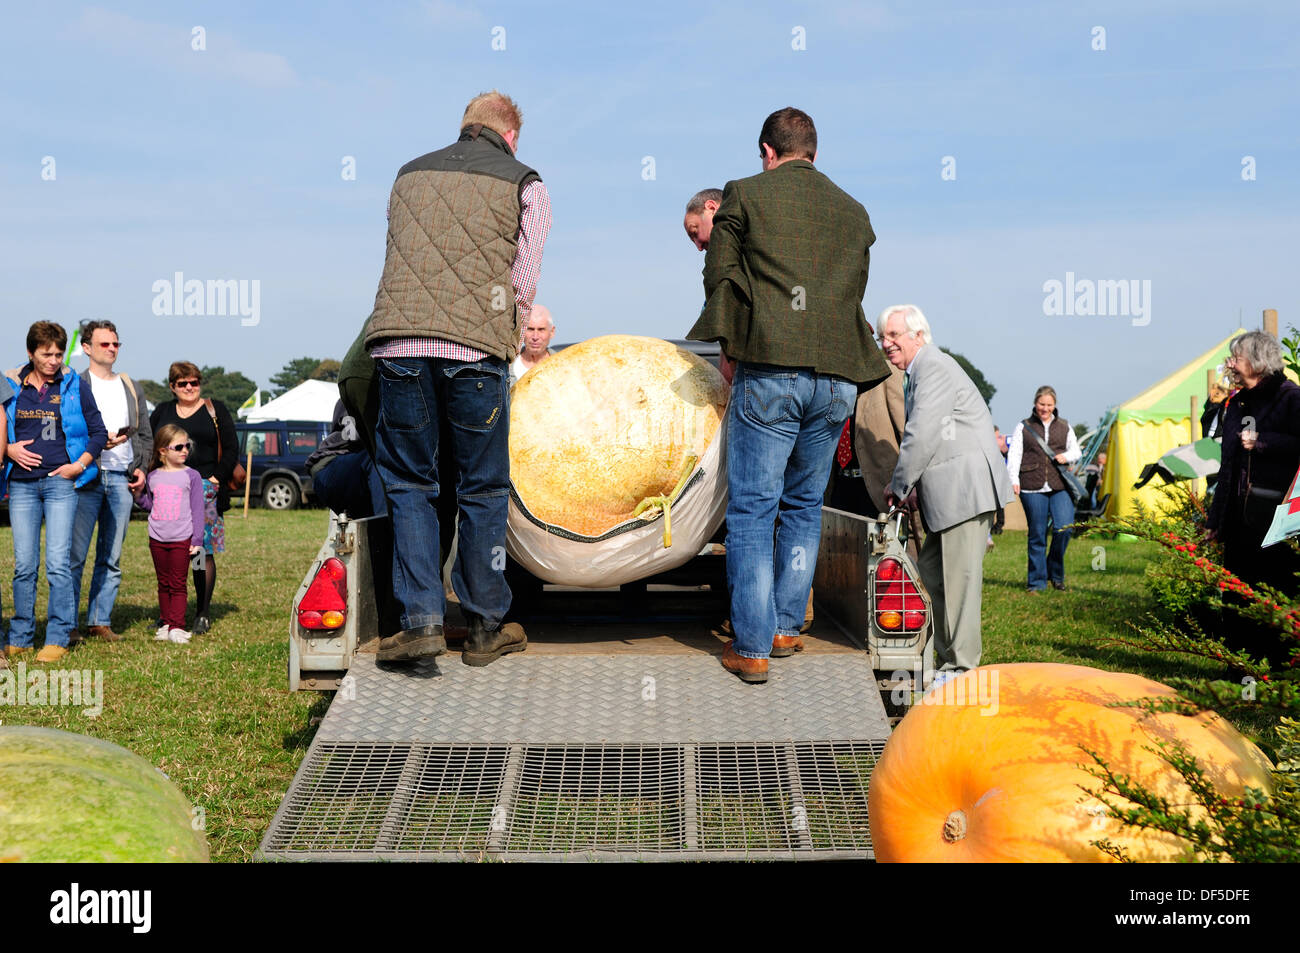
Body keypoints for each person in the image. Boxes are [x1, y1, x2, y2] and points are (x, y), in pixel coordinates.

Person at [687, 107, 891, 684]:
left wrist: (730, 342)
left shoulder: (743, 196)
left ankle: (751, 647)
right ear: (815, 153)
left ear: (766, 151)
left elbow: (720, 276)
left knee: (753, 509)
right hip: (837, 380)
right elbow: (851, 293)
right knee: (803, 508)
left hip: (772, 369)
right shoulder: (854, 213)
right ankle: (781, 627)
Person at [362, 90, 551, 666]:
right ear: (510, 136)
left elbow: (401, 253)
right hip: (475, 353)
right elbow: (522, 287)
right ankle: (485, 626)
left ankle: (420, 621)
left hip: (399, 345)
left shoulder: (408, 175)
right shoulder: (527, 183)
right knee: (483, 488)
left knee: (412, 487)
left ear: (466, 127)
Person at [881, 305, 1014, 684]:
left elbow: (922, 433)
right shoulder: (918, 371)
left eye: (893, 335)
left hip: (964, 491)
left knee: (959, 581)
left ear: (918, 336)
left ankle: (962, 669)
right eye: (882, 337)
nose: (886, 344)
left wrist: (900, 483)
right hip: (951, 495)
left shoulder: (932, 366)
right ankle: (946, 658)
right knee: (931, 577)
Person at [2, 321, 108, 663]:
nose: (53, 360)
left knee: (58, 564)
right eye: (46, 354)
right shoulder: (11, 385)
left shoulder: (75, 384)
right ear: (31, 353)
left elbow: (98, 431)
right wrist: (8, 450)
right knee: (24, 565)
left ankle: (59, 636)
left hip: (61, 483)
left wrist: (79, 466)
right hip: (21, 485)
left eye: (59, 353)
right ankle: (20, 635)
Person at [1205, 331, 1300, 662]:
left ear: (1258, 362)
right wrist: (1216, 520)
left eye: (1237, 356)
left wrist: (1263, 441)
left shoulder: (1290, 398)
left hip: (1277, 519)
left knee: (1272, 594)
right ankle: (1239, 669)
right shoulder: (1236, 402)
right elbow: (1227, 467)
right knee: (1235, 597)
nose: (1231, 363)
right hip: (1238, 519)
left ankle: (1273, 671)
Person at [68, 320, 153, 643]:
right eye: (105, 344)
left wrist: (142, 468)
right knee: (75, 556)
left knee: (111, 555)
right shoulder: (75, 384)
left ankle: (99, 620)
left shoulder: (130, 385)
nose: (112, 349)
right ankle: (68, 623)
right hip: (86, 476)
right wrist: (94, 444)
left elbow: (144, 432)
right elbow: (68, 431)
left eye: (116, 344)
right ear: (87, 348)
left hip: (121, 477)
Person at [149, 361, 238, 635]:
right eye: (183, 383)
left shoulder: (215, 409)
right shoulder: (163, 411)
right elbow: (151, 444)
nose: (189, 387)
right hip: (170, 490)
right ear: (172, 387)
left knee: (200, 553)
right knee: (169, 553)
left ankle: (202, 611)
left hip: (204, 490)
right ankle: (168, 613)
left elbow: (233, 447)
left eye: (194, 382)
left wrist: (216, 478)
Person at [132, 424, 205, 645]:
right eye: (179, 446)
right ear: (163, 451)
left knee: (178, 583)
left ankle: (177, 625)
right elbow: (150, 505)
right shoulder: (152, 476)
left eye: (187, 446)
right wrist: (137, 495)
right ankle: (166, 623)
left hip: (182, 538)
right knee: (163, 583)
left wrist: (198, 540)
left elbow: (198, 509)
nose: (185, 450)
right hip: (157, 538)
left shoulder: (191, 476)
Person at [1007, 386, 1082, 592]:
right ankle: (1037, 582)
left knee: (1063, 528)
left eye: (1049, 405)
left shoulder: (1065, 426)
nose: (1045, 408)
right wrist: (1013, 478)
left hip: (1059, 485)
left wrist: (1066, 457)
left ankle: (1055, 573)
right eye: (1042, 404)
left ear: (1054, 405)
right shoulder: (1024, 427)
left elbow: (1076, 450)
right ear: (1035, 403)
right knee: (1037, 534)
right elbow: (1015, 454)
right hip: (1031, 486)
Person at [510, 304, 556, 383]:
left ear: (552, 332)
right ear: (521, 331)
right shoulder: (505, 366)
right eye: (530, 329)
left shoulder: (563, 365)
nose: (535, 337)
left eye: (541, 329)